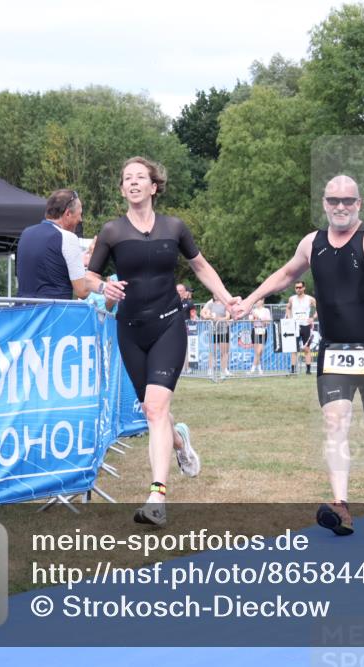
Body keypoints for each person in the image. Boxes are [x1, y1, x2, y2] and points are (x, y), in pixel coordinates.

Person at [234, 175, 364, 536]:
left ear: (359, 204)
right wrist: (249, 300)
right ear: (324, 204)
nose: (341, 207)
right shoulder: (312, 243)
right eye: (333, 200)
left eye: (348, 201)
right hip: (334, 349)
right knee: (335, 423)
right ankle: (341, 506)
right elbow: (286, 273)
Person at [87, 156, 234, 526]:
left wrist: (226, 297)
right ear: (123, 189)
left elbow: (200, 266)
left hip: (169, 325)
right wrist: (104, 286)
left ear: (154, 187)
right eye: (127, 179)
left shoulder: (175, 227)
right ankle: (180, 442)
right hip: (130, 330)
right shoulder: (111, 232)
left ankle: (156, 498)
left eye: (140, 177)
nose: (133, 182)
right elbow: (88, 277)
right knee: (157, 413)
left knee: (154, 409)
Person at [16, 189, 89, 299]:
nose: (80, 219)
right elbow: (82, 291)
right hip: (54, 313)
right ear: (68, 213)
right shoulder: (67, 238)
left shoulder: (26, 233)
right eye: (80, 214)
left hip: (24, 312)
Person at [286, 281, 317, 374]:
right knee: (293, 348)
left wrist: (313, 318)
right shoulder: (292, 299)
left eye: (300, 287)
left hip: (306, 326)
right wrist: (290, 318)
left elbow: (319, 307)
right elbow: (288, 307)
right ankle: (292, 369)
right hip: (295, 326)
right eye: (296, 288)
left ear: (304, 288)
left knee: (306, 348)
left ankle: (308, 370)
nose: (298, 289)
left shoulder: (310, 299)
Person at [201, 297, 233, 377]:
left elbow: (228, 317)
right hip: (214, 331)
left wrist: (219, 319)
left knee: (224, 352)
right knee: (212, 351)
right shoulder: (211, 305)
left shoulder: (226, 305)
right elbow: (206, 314)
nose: (215, 295)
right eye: (214, 294)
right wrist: (209, 317)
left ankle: (224, 370)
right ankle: (210, 369)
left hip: (224, 330)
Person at [249, 298, 272, 374]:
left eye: (259, 300)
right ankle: (259, 368)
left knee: (260, 351)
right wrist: (253, 317)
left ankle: (253, 367)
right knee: (256, 351)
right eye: (257, 300)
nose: (257, 302)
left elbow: (268, 322)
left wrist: (259, 317)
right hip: (255, 330)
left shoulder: (266, 310)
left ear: (262, 301)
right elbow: (251, 321)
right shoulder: (253, 310)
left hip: (263, 330)